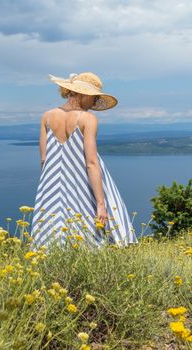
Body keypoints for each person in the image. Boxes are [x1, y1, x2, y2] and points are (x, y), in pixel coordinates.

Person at [29, 72, 138, 249]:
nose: (94, 103)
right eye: (94, 98)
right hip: (84, 184)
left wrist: (53, 185)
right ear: (83, 94)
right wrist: (101, 204)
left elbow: (44, 160)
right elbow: (91, 162)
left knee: (52, 239)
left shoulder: (47, 117)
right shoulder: (88, 119)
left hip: (53, 186)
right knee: (92, 238)